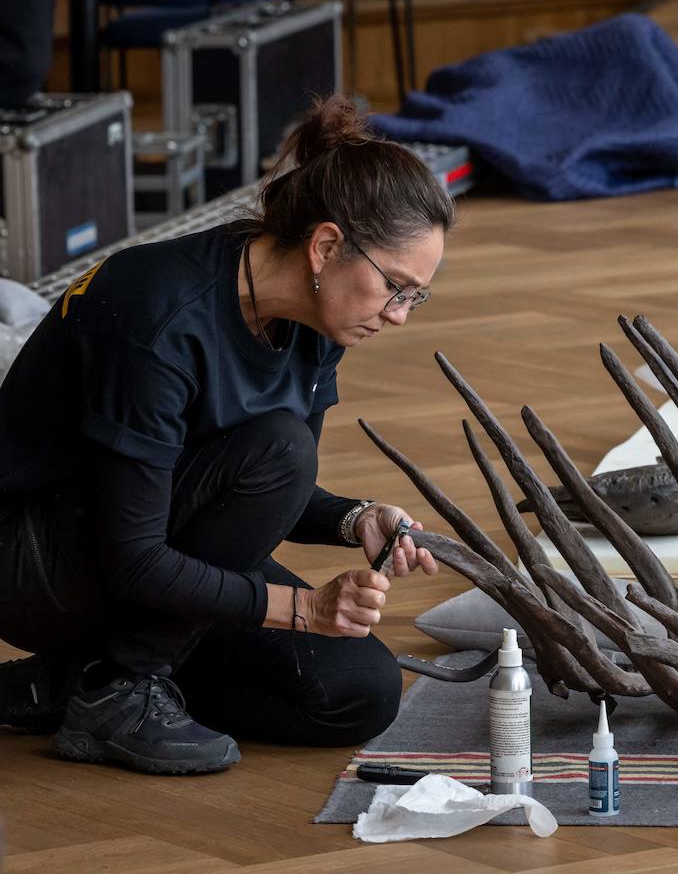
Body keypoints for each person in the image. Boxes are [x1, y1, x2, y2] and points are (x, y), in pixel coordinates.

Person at [0, 95, 454, 774]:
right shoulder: (159, 316)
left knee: (358, 693)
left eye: (415, 296)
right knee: (281, 447)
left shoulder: (317, 321)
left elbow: (270, 491)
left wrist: (357, 519)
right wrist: (301, 608)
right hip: (33, 560)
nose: (399, 316)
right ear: (326, 246)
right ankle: (117, 691)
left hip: (135, 548)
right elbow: (135, 555)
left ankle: (76, 681)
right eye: (396, 287)